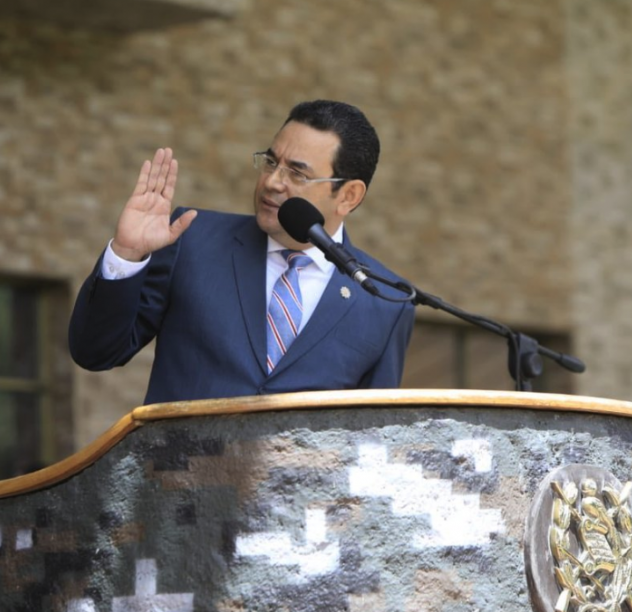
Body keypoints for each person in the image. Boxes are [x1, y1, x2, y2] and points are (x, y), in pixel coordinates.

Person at [69, 100, 415, 404]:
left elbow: (369, 436)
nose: (272, 181)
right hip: (177, 476)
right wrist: (127, 255)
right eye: (270, 161)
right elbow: (96, 352)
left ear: (349, 196)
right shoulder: (192, 241)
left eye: (296, 173)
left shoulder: (383, 301)